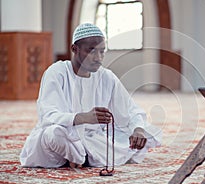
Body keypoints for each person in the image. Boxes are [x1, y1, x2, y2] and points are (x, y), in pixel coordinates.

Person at [20, 23, 162, 168]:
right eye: (92, 51)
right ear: (74, 49)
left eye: (102, 52)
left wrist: (137, 129)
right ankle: (82, 156)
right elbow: (48, 114)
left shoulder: (106, 76)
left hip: (94, 139)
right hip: (66, 134)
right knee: (53, 134)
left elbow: (130, 110)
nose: (98, 58)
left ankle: (80, 156)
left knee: (147, 133)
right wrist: (82, 118)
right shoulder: (58, 72)